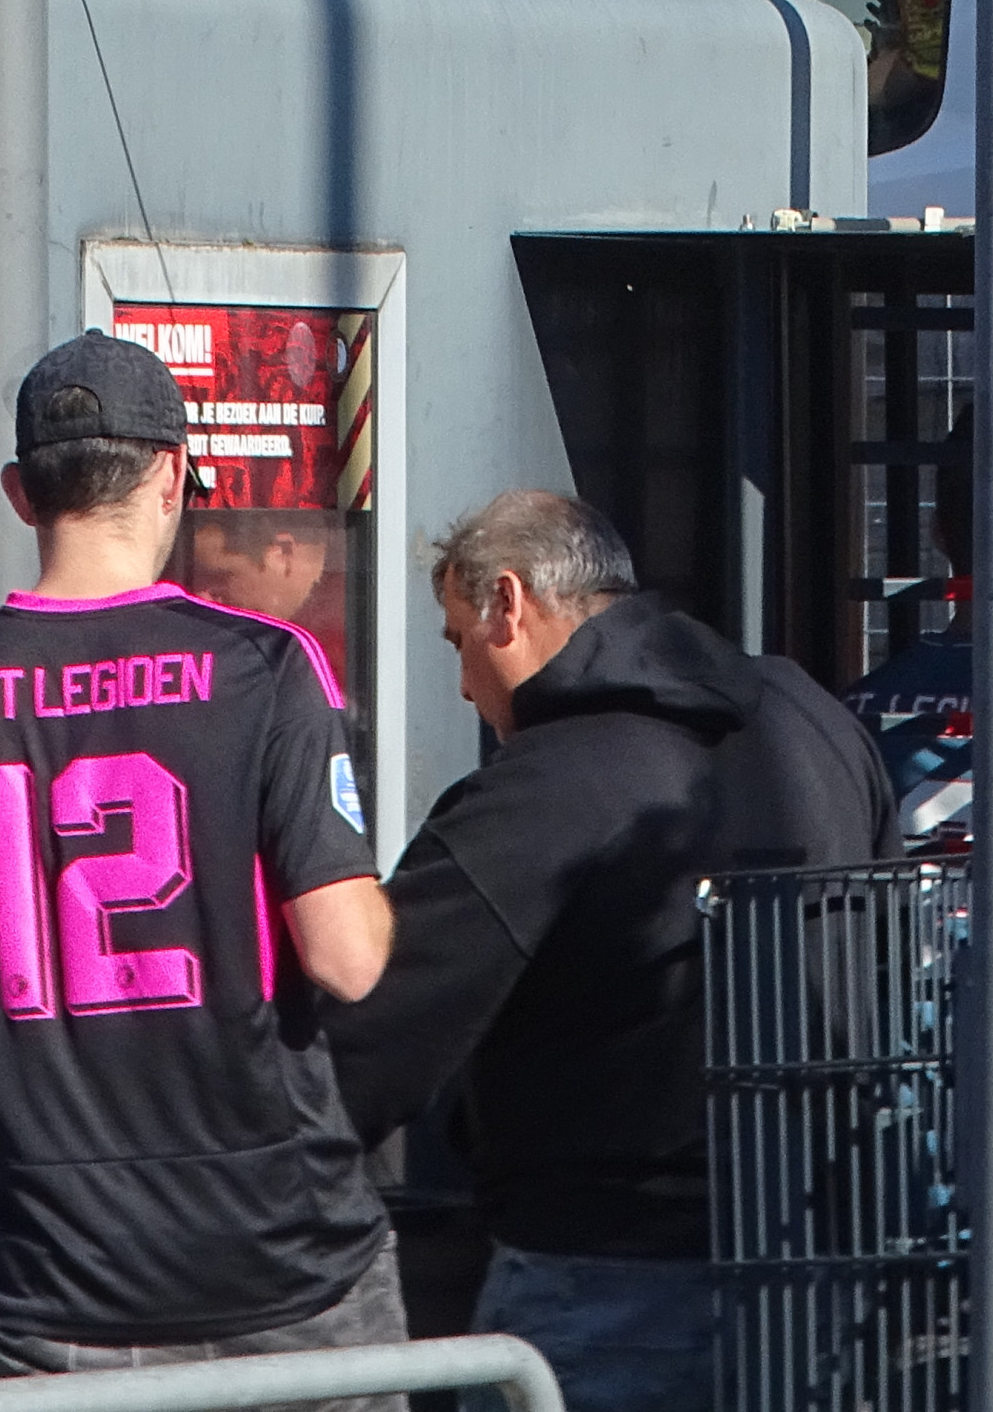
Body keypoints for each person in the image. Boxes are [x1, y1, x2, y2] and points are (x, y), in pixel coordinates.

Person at [0, 330, 403, 1387]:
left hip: (64, 1284)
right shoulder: (265, 668)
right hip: (285, 1263)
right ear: (171, 474)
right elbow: (348, 958)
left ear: (19, 492)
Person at [329, 491, 896, 1412]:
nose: (466, 685)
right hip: (823, 1266)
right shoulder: (813, 719)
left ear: (506, 604)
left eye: (456, 641)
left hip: (602, 1273)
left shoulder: (544, 788)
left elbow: (369, 1032)